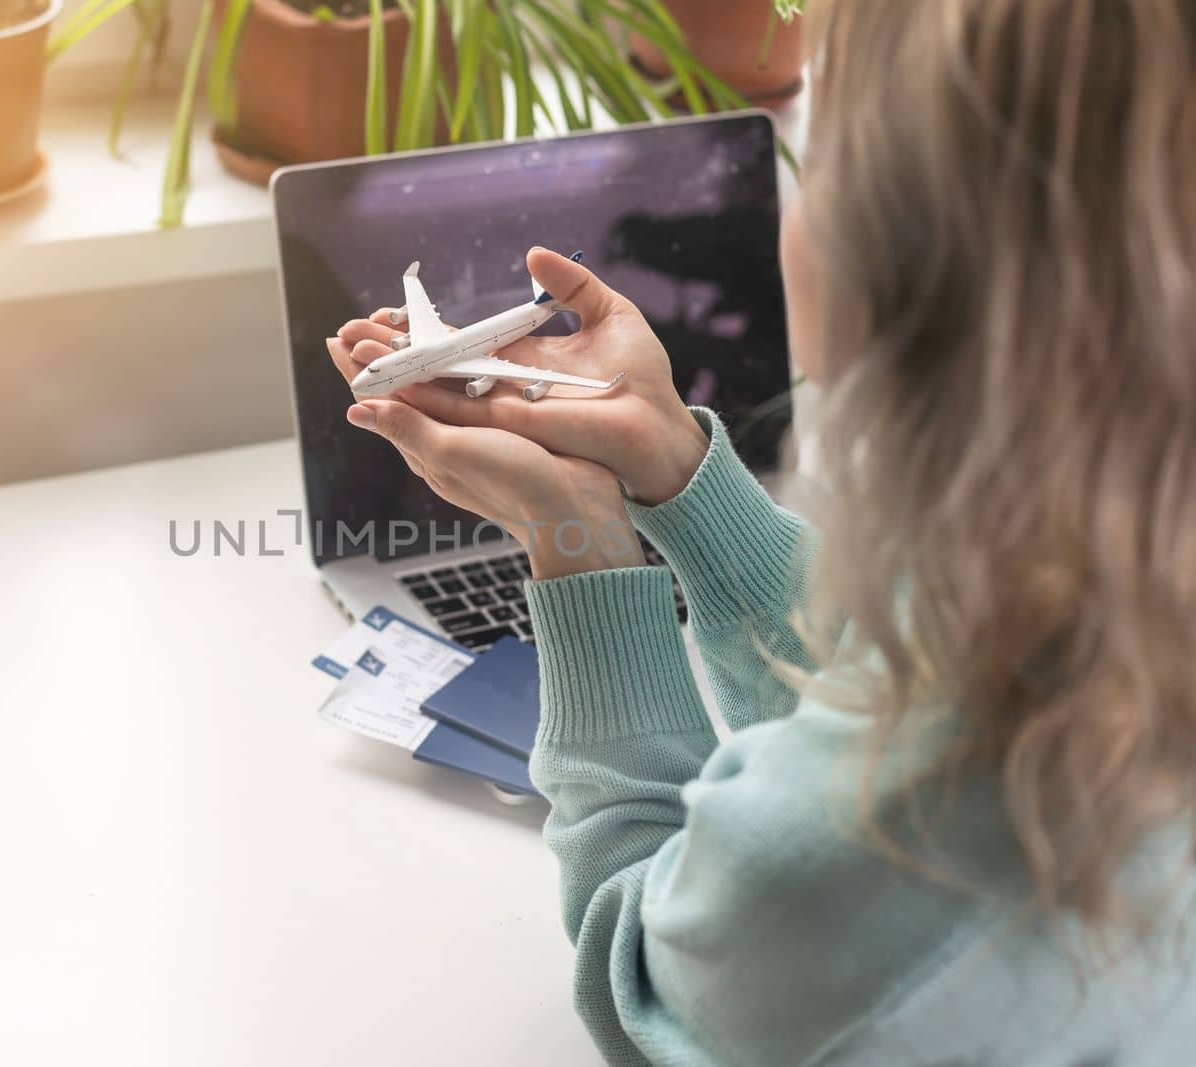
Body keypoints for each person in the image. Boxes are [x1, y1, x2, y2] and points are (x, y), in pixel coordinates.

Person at [325, 0, 1196, 1062]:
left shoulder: (856, 867)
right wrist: (681, 476)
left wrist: (577, 539)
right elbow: (904, 673)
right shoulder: (1117, 586)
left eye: (823, 156)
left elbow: (648, 976)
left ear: (909, 257)